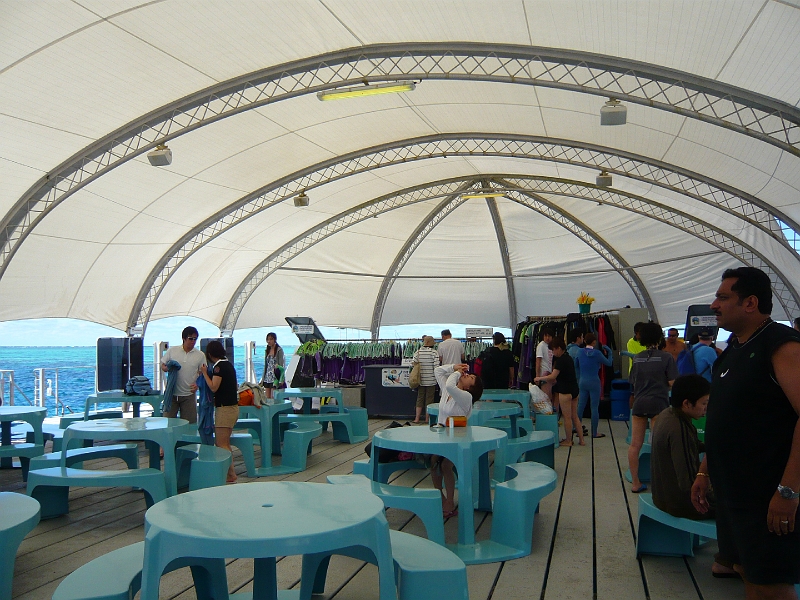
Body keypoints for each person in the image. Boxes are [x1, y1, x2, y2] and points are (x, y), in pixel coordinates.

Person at [692, 267, 800, 596]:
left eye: (723, 297)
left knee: (770, 583)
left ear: (750, 303)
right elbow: (728, 421)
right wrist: (704, 471)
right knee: (747, 572)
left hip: (766, 497)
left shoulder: (781, 346)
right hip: (733, 495)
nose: (714, 304)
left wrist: (788, 492)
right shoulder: (734, 351)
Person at [651, 374, 711, 520]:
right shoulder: (679, 428)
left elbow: (692, 446)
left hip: (660, 496)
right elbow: (689, 483)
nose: (706, 408)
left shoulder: (667, 414)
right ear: (687, 404)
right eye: (704, 404)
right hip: (681, 504)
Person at [628, 321, 677, 493]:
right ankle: (659, 484)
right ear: (659, 337)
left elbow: (633, 383)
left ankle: (635, 483)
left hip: (640, 403)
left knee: (635, 444)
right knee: (658, 445)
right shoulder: (666, 358)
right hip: (659, 403)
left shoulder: (637, 358)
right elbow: (672, 382)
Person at [431, 363, 483, 517]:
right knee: (433, 462)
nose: (467, 375)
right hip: (442, 435)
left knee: (446, 465)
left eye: (471, 378)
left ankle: (450, 500)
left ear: (470, 388)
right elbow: (438, 371)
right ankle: (440, 497)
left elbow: (449, 385)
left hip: (458, 439)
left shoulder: (466, 397)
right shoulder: (448, 390)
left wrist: (457, 372)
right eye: (469, 374)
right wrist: (453, 366)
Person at [200, 340, 239, 484]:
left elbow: (214, 387)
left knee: (221, 443)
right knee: (225, 443)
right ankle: (230, 473)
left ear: (209, 354)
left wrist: (204, 373)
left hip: (225, 408)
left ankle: (230, 474)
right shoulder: (228, 364)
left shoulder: (219, 368)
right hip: (233, 407)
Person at [534, 338, 584, 447]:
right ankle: (581, 440)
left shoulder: (560, 361)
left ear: (559, 348)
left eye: (553, 350)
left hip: (565, 391)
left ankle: (568, 440)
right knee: (574, 416)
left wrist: (540, 378)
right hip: (574, 389)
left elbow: (553, 376)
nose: (553, 352)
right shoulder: (569, 358)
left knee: (566, 417)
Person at [159, 326, 206, 423]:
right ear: (184, 338)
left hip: (189, 394)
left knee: (190, 423)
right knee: (169, 423)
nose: (193, 341)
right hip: (172, 393)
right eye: (190, 338)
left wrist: (198, 384)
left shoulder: (200, 355)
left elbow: (202, 373)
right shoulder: (172, 351)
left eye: (195, 339)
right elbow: (162, 365)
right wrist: (168, 368)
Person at [575, 332, 613, 439]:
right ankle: (594, 432)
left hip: (582, 381)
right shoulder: (597, 354)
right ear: (594, 342)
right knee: (594, 407)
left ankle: (578, 430)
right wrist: (609, 352)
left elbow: (576, 365)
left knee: (580, 406)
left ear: (585, 341)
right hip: (594, 382)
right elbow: (609, 363)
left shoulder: (580, 352)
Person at [412, 336, 439, 423]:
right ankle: (427, 419)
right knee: (429, 400)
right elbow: (436, 367)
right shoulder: (434, 353)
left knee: (420, 398)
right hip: (431, 380)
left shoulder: (418, 352)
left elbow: (413, 364)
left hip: (420, 380)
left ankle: (417, 418)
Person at [260, 332, 285, 401]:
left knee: (274, 396)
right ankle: (268, 411)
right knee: (267, 397)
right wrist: (263, 377)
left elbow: (281, 365)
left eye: (271, 339)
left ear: (274, 340)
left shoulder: (279, 350)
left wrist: (281, 378)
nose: (269, 341)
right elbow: (266, 365)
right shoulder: (267, 350)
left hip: (275, 376)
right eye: (268, 339)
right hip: (267, 376)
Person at [536, 327, 556, 409]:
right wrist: (538, 376)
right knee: (546, 396)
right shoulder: (541, 345)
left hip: (550, 374)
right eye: (546, 336)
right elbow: (538, 361)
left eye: (549, 336)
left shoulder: (551, 346)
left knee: (549, 396)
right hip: (544, 374)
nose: (547, 338)